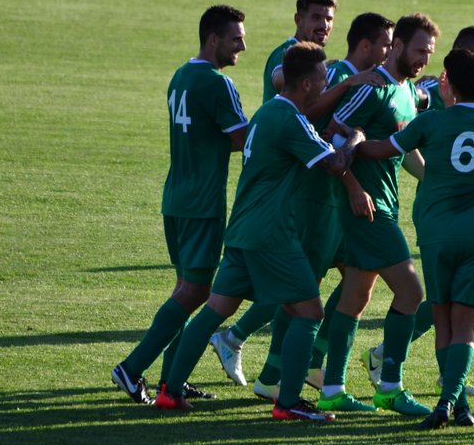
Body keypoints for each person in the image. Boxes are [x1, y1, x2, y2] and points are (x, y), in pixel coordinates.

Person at [154, 42, 375, 422]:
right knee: (309, 312)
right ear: (306, 83)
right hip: (271, 234)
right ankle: (288, 402)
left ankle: (169, 391)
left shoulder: (266, 113)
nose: (326, 85)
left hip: (242, 229)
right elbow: (335, 164)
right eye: (323, 79)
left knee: (213, 311)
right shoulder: (290, 120)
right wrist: (356, 138)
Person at [208, 7, 388, 389]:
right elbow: (295, 97)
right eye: (317, 17)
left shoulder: (333, 70)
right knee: (303, 286)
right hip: (306, 195)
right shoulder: (303, 62)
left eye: (329, 19)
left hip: (310, 194)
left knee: (346, 278)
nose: (324, 25)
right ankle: (284, 371)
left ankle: (287, 363)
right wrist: (354, 176)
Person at [357, 48, 474, 428]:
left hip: (437, 233)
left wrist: (354, 140)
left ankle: (450, 405)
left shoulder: (430, 125)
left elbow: (379, 151)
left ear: (446, 81)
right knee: (465, 328)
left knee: (442, 322)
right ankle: (454, 404)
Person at [110, 5, 248, 404]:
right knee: (195, 292)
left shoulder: (180, 76)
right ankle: (132, 368)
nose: (243, 44)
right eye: (236, 38)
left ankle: (174, 376)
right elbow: (243, 140)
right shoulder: (217, 84)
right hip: (203, 203)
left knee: (186, 289)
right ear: (213, 39)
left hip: (176, 197)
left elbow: (207, 132)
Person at [317, 14, 440, 416]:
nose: (424, 58)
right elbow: (331, 139)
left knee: (355, 296)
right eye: (420, 49)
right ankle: (390, 386)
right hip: (366, 208)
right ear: (398, 45)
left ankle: (332, 388)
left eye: (430, 53)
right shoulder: (372, 87)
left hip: (384, 203)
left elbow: (402, 149)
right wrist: (353, 186)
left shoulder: (407, 91)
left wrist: (436, 180)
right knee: (412, 292)